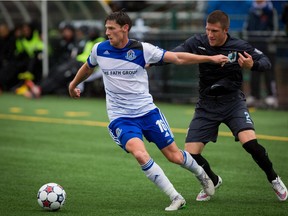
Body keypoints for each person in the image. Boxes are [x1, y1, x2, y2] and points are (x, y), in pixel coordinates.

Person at [69, 10, 228, 211]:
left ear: (125, 28)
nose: (107, 32)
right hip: (121, 118)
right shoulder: (99, 49)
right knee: (140, 154)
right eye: (106, 28)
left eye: (111, 28)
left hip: (148, 113)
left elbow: (178, 58)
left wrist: (210, 59)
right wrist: (73, 84)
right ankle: (175, 197)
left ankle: (203, 176)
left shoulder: (142, 49)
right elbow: (88, 67)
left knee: (175, 157)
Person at [161, 10, 287, 202]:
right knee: (190, 155)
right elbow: (173, 54)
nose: (210, 34)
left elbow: (265, 62)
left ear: (225, 31)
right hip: (206, 104)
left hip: (232, 102)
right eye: (207, 29)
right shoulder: (198, 42)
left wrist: (251, 65)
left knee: (250, 144)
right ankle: (213, 180)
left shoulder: (239, 46)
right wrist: (150, 61)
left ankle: (274, 178)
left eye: (215, 31)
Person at [244, 0, 278, 108]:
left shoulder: (271, 10)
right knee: (254, 70)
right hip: (254, 46)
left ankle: (271, 96)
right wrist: (249, 42)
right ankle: (255, 96)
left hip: (267, 46)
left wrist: (267, 40)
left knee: (269, 70)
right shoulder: (251, 10)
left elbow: (274, 29)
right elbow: (246, 28)